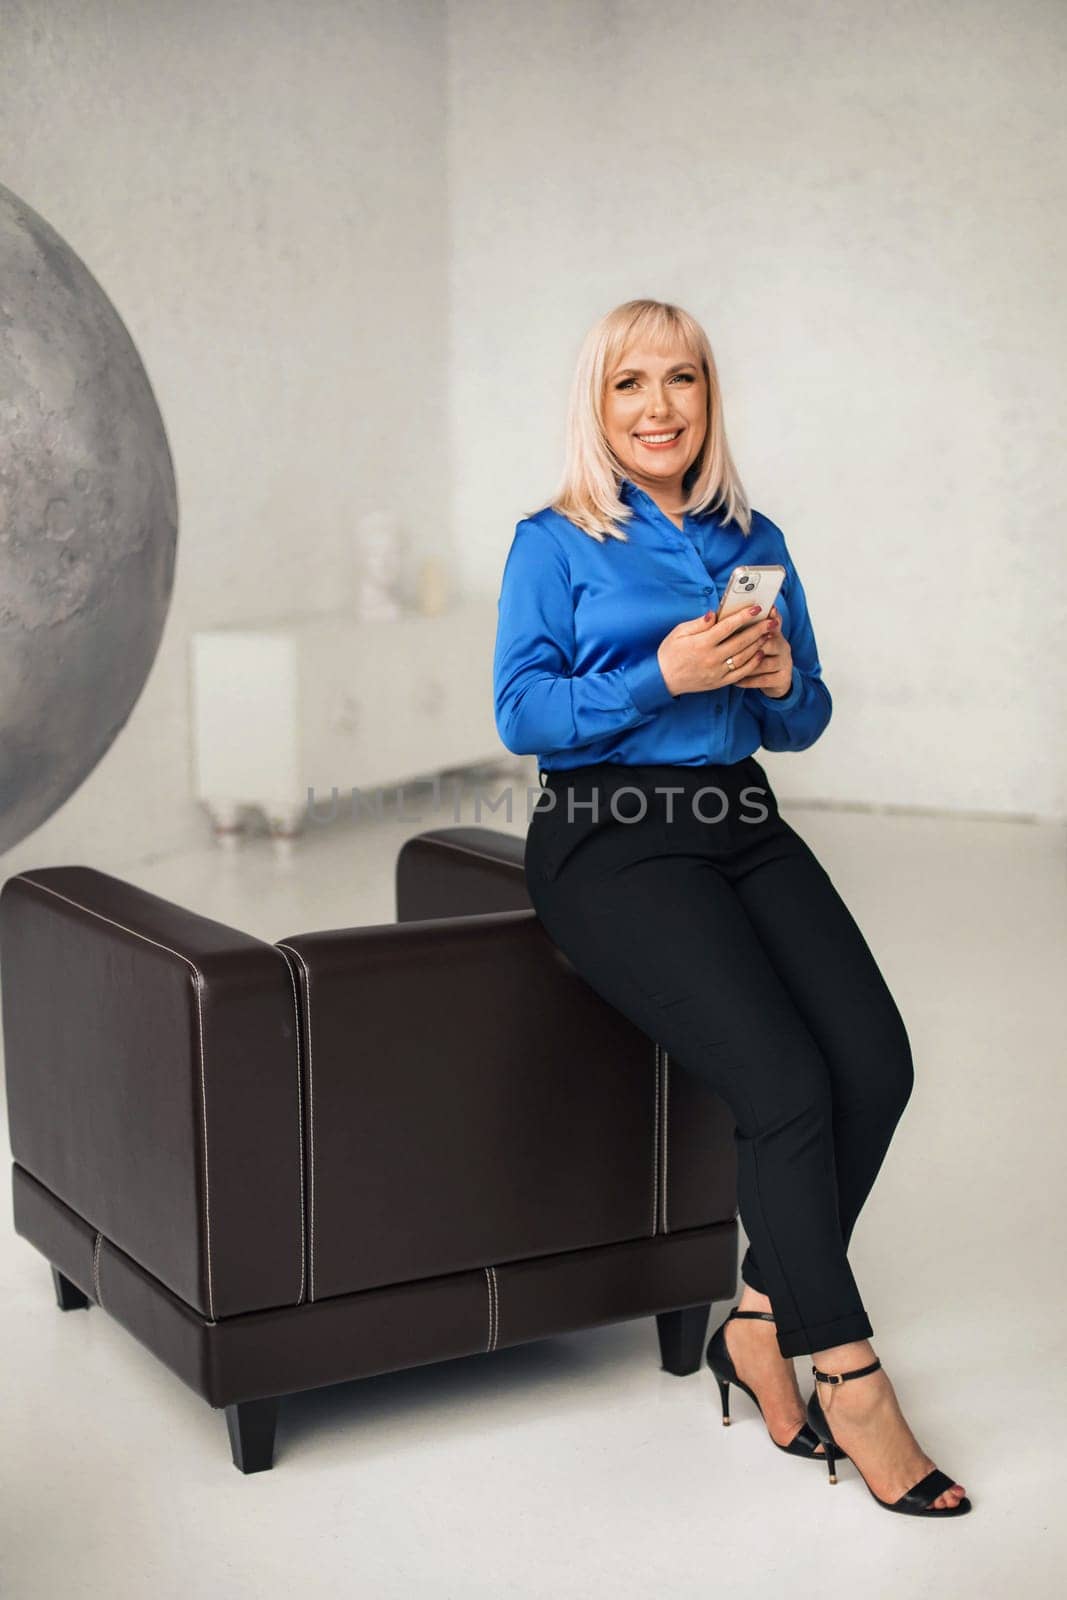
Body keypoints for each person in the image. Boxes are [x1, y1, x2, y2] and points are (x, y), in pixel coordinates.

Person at [492, 297, 971, 1519]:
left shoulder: (753, 535)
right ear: (595, 408)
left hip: (737, 821)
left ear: (708, 398)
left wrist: (772, 678)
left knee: (874, 1063)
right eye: (627, 384)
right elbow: (521, 714)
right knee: (783, 1085)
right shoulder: (550, 541)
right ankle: (848, 1373)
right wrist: (660, 674)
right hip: (609, 841)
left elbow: (804, 716)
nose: (657, 407)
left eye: (680, 380)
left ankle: (757, 1321)